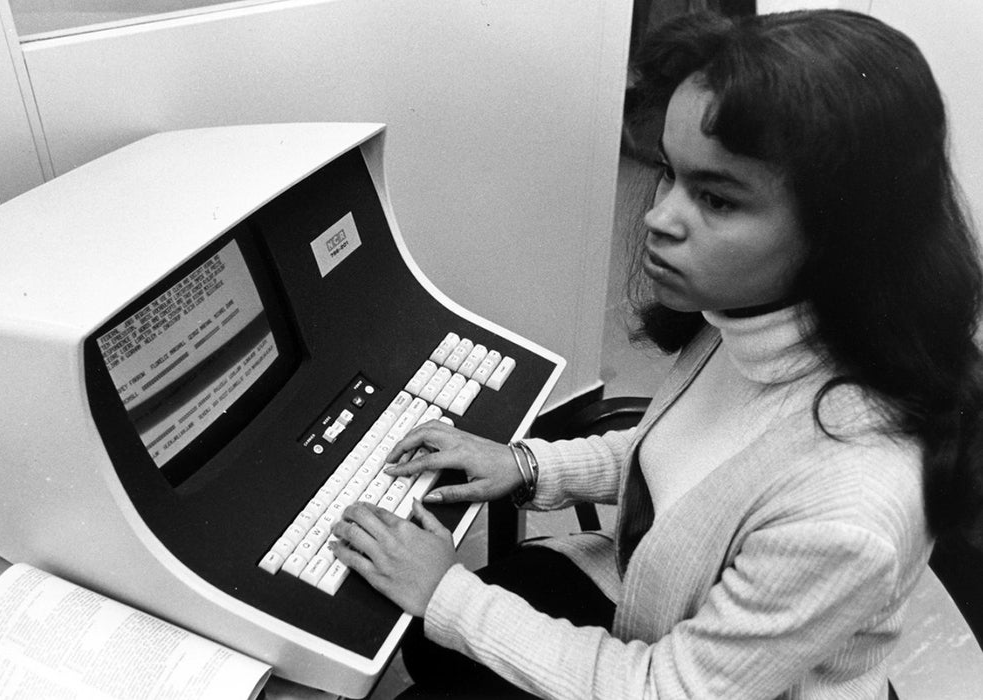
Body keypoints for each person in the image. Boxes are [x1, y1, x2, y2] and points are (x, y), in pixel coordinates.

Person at [329, 9, 983, 699]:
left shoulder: (850, 509)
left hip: (681, 679)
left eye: (715, 199)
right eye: (670, 174)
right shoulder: (760, 316)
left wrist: (448, 595)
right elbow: (679, 456)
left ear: (844, 231)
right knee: (434, 653)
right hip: (652, 604)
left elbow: (666, 690)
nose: (658, 217)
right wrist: (524, 465)